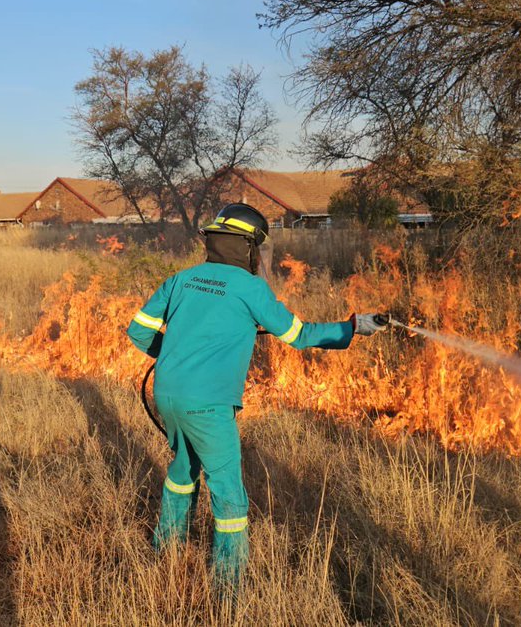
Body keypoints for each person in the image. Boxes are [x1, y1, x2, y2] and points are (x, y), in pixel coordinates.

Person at [126, 202, 387, 592]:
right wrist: (351, 328)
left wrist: (177, 357)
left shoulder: (182, 279)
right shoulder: (251, 288)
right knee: (229, 496)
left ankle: (167, 552)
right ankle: (228, 588)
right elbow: (299, 335)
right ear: (248, 247)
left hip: (167, 394)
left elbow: (138, 332)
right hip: (208, 405)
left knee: (183, 470)